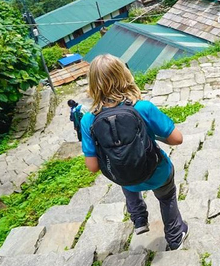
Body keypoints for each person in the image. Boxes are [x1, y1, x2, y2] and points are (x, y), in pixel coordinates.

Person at [80, 54, 189, 250]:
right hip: (156, 172)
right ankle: (175, 236)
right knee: (166, 196)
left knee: (124, 167)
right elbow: (177, 139)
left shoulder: (88, 120)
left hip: (125, 179)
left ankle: (139, 219)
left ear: (93, 83)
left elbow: (92, 167)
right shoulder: (142, 108)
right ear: (124, 75)